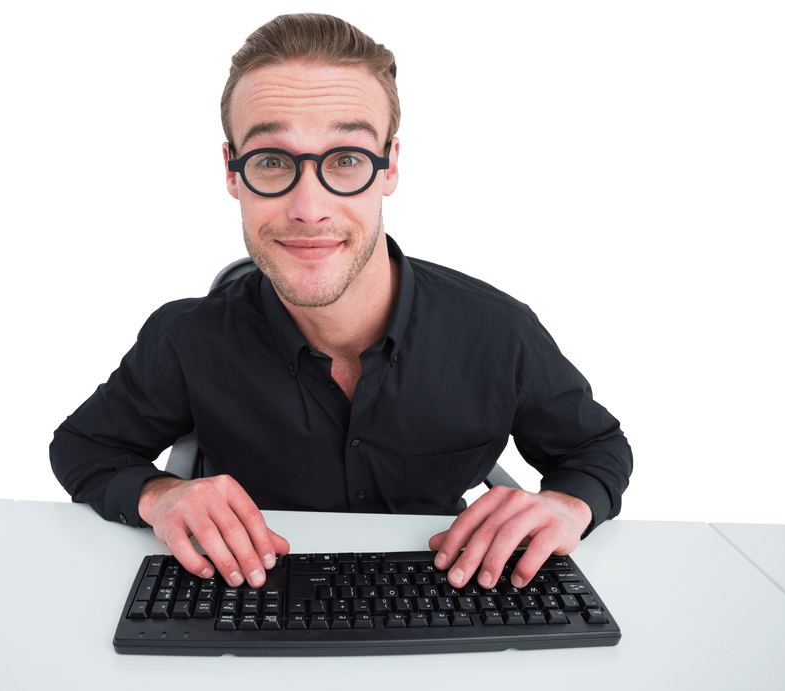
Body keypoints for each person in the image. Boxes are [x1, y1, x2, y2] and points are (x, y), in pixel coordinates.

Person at [49, 12, 633, 595]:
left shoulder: (499, 333)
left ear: (391, 167)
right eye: (272, 160)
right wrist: (160, 495)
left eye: (347, 159)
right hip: (251, 611)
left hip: (446, 609)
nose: (309, 208)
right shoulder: (186, 338)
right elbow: (84, 447)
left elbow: (596, 447)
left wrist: (567, 505)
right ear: (231, 173)